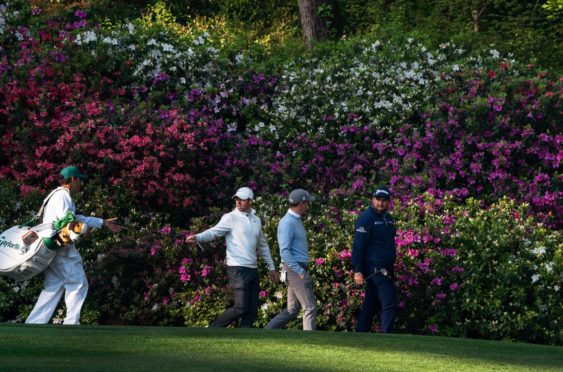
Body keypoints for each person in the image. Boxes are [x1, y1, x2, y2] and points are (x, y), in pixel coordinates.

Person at [26, 166, 122, 325]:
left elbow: (77, 218)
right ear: (73, 179)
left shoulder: (56, 195)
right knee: (78, 282)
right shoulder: (64, 196)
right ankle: (71, 323)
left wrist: (102, 222)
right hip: (61, 247)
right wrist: (81, 231)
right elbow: (67, 222)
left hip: (50, 246)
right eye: (80, 180)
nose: (81, 184)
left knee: (53, 287)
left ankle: (34, 324)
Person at [186, 187, 278, 328]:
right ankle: (212, 329)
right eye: (236, 198)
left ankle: (244, 338)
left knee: (252, 308)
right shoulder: (230, 217)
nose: (238, 201)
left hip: (253, 269)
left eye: (242, 199)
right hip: (236, 268)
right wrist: (198, 237)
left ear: (250, 201)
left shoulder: (256, 220)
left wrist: (271, 267)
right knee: (241, 307)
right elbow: (214, 232)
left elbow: (263, 245)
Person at [265, 189, 317, 331]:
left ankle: (265, 333)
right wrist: (299, 270)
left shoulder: (295, 220)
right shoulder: (287, 222)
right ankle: (310, 343)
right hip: (295, 268)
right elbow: (284, 251)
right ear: (301, 203)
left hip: (294, 268)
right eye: (307, 203)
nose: (308, 206)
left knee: (292, 310)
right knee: (310, 307)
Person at [352, 185, 398, 333]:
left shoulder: (388, 218)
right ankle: (387, 338)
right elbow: (358, 246)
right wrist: (358, 270)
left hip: (386, 267)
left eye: (384, 200)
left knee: (371, 304)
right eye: (378, 200)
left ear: (388, 202)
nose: (380, 203)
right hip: (375, 268)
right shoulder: (366, 218)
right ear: (373, 199)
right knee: (389, 302)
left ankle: (361, 334)